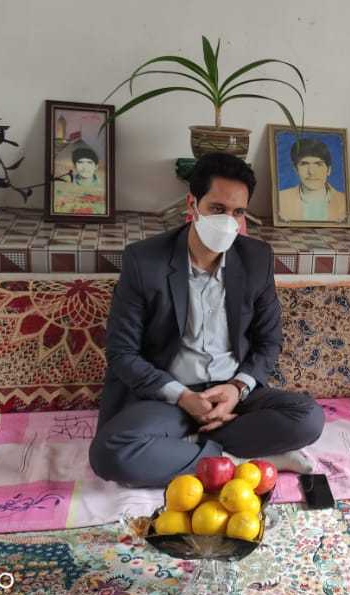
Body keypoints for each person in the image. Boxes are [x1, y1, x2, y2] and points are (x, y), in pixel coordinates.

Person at [90, 154, 324, 488]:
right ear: (192, 204)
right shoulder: (145, 260)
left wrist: (236, 389)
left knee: (308, 418)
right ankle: (236, 461)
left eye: (238, 212)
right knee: (109, 453)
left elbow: (269, 342)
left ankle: (184, 451)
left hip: (232, 397)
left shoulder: (256, 259)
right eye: (217, 209)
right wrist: (183, 397)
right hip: (170, 397)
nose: (229, 221)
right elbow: (122, 353)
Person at [276, 137, 347, 222]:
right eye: (304, 164)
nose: (311, 172)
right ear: (296, 170)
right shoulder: (280, 199)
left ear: (328, 170)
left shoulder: (344, 201)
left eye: (318, 164)